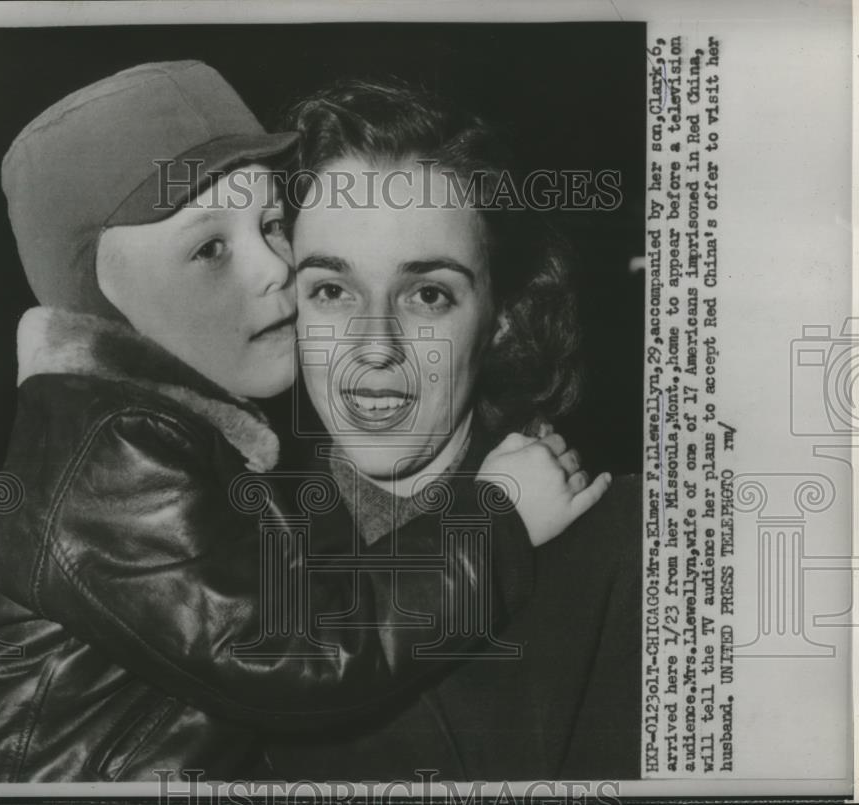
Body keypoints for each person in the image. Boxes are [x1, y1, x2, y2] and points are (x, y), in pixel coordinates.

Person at [0, 62, 610, 783]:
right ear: (96, 295)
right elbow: (300, 654)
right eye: (209, 248)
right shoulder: (113, 454)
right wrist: (492, 517)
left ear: (502, 317)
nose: (272, 270)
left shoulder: (179, 441)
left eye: (271, 226)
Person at [260, 79, 641, 780]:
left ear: (501, 314)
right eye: (332, 290)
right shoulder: (206, 550)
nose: (374, 346)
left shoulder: (626, 550)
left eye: (428, 293)